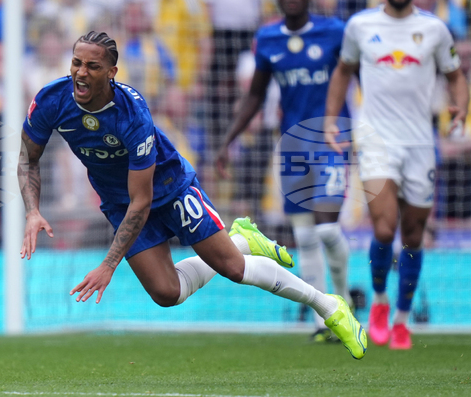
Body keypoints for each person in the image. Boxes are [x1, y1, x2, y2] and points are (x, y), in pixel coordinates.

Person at [20, 31, 367, 360]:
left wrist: (108, 265)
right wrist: (33, 211)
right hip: (119, 202)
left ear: (111, 72)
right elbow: (28, 159)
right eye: (76, 63)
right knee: (166, 293)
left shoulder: (132, 115)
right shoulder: (51, 100)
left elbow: (142, 201)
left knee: (233, 268)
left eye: (92, 66)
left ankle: (329, 306)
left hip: (170, 188)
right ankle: (241, 240)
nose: (81, 73)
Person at [324, 0, 469, 351]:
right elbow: (343, 71)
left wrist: (460, 107)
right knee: (385, 229)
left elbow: (456, 76)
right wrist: (331, 119)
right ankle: (380, 301)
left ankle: (402, 319)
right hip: (376, 138)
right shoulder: (361, 26)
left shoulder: (434, 29)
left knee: (414, 235)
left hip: (421, 143)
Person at [217, 0, 353, 343]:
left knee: (327, 230)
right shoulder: (268, 38)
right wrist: (228, 140)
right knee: (305, 235)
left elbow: (355, 75)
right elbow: (256, 95)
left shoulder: (334, 32)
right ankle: (324, 320)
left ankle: (343, 302)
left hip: (330, 141)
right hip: (292, 145)